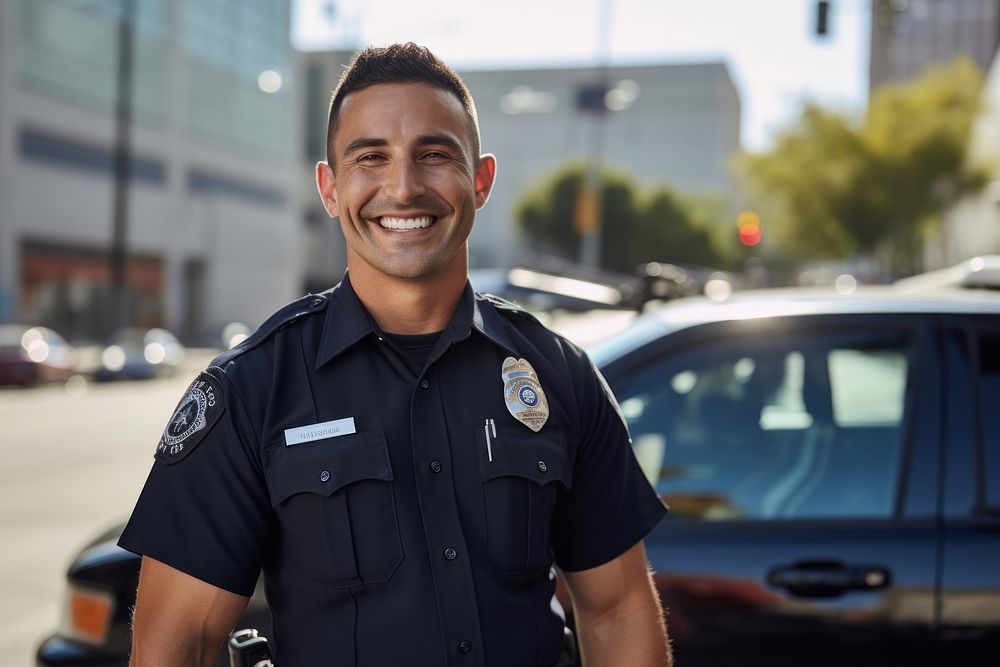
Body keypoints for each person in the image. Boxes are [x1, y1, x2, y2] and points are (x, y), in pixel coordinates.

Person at [120, 42, 672, 667]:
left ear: (480, 180)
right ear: (329, 188)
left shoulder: (558, 375)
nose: (404, 188)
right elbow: (176, 644)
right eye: (371, 158)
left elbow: (617, 610)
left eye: (435, 156)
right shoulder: (251, 388)